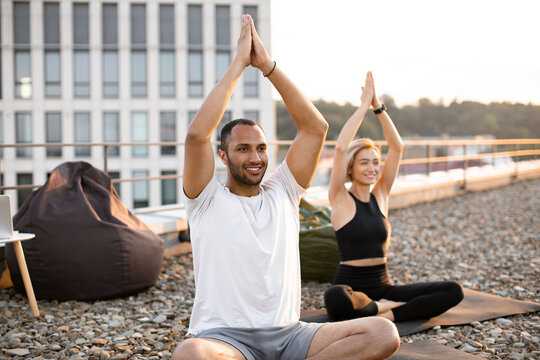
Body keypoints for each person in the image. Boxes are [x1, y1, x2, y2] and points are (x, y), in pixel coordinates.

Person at [172, 15, 400, 360]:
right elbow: (195, 136)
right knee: (190, 353)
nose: (255, 157)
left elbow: (314, 128)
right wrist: (238, 65)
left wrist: (268, 66)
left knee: (382, 332)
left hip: (291, 334)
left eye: (261, 148)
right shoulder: (205, 198)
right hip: (225, 340)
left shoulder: (284, 190)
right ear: (222, 155)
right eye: (243, 148)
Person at [323, 71, 464, 323]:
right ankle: (381, 310)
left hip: (384, 286)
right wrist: (363, 106)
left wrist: (378, 106)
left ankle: (384, 312)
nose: (372, 168)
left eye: (375, 163)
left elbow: (397, 147)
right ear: (350, 168)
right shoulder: (340, 198)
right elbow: (341, 147)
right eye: (364, 163)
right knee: (336, 298)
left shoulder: (381, 195)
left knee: (453, 290)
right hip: (352, 289)